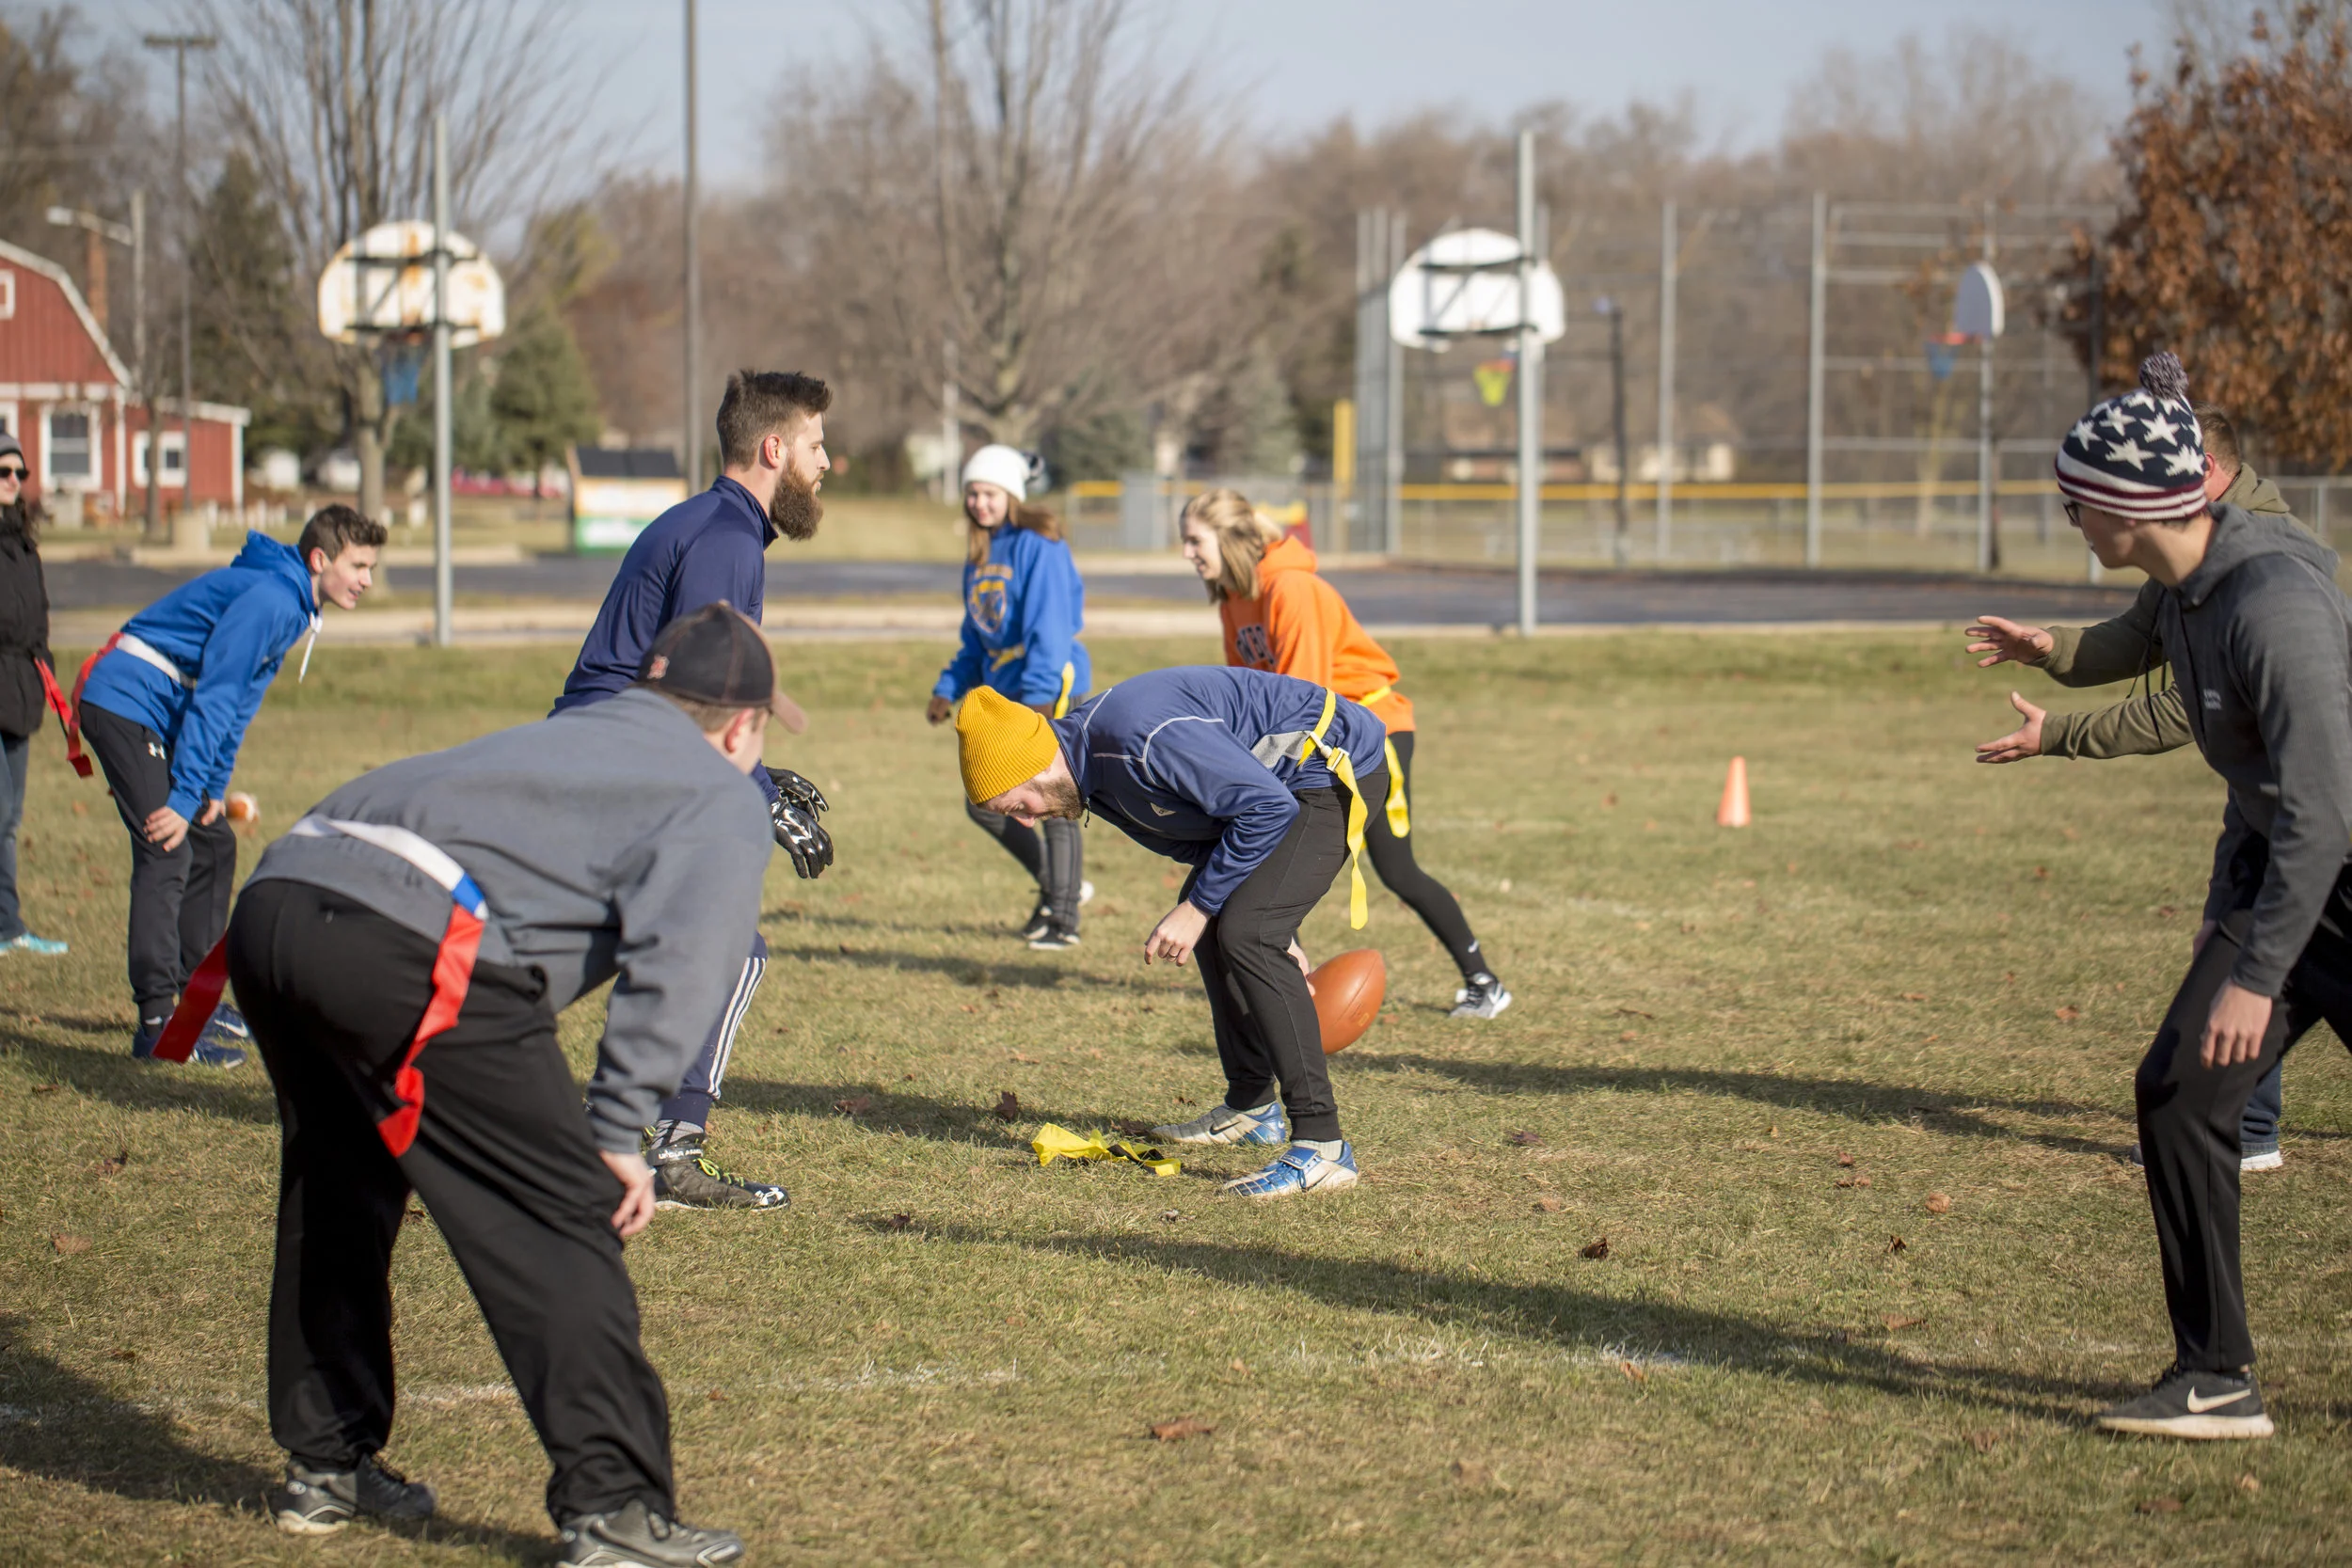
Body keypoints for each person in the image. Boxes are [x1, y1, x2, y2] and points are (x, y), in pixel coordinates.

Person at [227, 605, 773, 1563]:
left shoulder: (582, 732)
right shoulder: (719, 793)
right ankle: (615, 1508)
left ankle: (327, 1461)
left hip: (279, 898)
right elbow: (684, 967)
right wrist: (615, 1133)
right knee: (559, 1216)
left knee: (341, 1179)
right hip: (408, 936)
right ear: (742, 728)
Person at [2001, 353, 2352, 1441]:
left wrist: (2257, 971)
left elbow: (2324, 809)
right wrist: (2227, 913)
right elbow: (2258, 788)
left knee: (2190, 1078)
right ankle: (2213, 1376)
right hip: (2284, 872)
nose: (2068, 518)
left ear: (2122, 508)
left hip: (2336, 872)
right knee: (2179, 1089)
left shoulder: (2273, 603)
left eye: (2074, 500)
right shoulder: (2187, 590)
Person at [1967, 400, 2315, 1174]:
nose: (2080, 522)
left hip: (2315, 813)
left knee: (2259, 957)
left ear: (2194, 473)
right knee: (2216, 973)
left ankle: (2239, 1123)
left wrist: (2060, 735)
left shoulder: (2258, 573)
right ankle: (2242, 1126)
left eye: (2086, 503)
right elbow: (2140, 637)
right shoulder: (2192, 556)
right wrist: (2049, 647)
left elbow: (2190, 709)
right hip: (2265, 799)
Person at [553, 369, 835, 1212]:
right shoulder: (726, 540)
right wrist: (754, 791)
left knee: (650, 938)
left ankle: (607, 1126)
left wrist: (759, 776)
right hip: (623, 757)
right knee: (727, 946)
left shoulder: (713, 523)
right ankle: (667, 1149)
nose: (828, 463)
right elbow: (697, 693)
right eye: (816, 445)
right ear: (774, 448)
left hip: (609, 750)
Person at [954, 669, 1388, 1197]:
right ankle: (1252, 1108)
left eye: (1017, 805)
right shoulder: (1088, 773)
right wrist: (1233, 909)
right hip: (1279, 790)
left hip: (1330, 768)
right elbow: (1205, 835)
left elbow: (1268, 807)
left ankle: (1323, 1147)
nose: (1026, 821)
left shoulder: (1139, 741)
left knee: (1246, 931)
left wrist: (1207, 908)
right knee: (1228, 922)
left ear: (1036, 766)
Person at [1178, 488, 1510, 1018]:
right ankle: (1286, 981)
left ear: (1231, 537)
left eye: (1196, 540)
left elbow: (1303, 696)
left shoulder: (1291, 587)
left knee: (1396, 868)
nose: (1187, 552)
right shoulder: (1233, 596)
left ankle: (1484, 982)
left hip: (1370, 732)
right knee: (1272, 851)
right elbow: (1245, 693)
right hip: (1312, 738)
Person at [76, 504, 383, 1068]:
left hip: (159, 709)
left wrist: (212, 786)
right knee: (166, 846)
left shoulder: (295, 603)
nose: (367, 579)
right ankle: (157, 1026)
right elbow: (216, 694)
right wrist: (182, 795)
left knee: (214, 842)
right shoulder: (273, 600)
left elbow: (240, 702)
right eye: (359, 565)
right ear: (320, 560)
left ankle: (196, 1001)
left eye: (371, 567)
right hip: (123, 701)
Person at [925, 444, 1092, 951]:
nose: (979, 502)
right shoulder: (981, 553)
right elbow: (978, 639)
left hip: (1048, 685)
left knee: (1052, 797)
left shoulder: (1039, 545)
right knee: (986, 801)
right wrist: (947, 688)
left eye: (989, 493)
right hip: (1006, 691)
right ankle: (1058, 889)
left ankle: (1063, 918)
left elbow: (1050, 628)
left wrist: (1040, 700)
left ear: (1012, 494)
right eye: (972, 493)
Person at [0, 433, 69, 958]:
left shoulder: (23, 544)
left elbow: (37, 617)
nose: (13, 481)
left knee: (10, 819)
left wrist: (42, 667)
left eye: (19, 473)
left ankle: (8, 927)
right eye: (3, 471)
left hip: (20, 693)